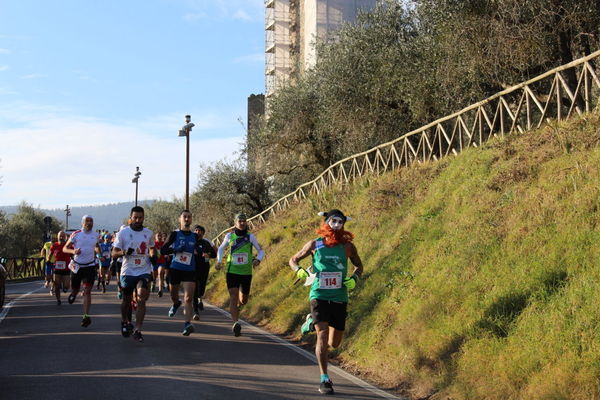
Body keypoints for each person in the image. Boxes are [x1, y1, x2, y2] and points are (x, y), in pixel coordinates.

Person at [288, 209, 363, 395]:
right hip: (319, 295)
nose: (337, 225)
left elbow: (359, 266)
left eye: (340, 222)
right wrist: (299, 271)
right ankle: (324, 378)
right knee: (322, 335)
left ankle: (310, 322)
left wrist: (354, 279)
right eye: (333, 221)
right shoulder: (316, 244)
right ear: (326, 222)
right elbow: (293, 259)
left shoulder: (348, 246)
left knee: (334, 343)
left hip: (339, 297)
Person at [215, 213, 265, 337]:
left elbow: (261, 250)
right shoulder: (229, 236)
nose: (242, 223)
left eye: (244, 221)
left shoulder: (250, 237)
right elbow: (221, 248)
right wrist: (219, 261)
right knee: (233, 296)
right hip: (232, 271)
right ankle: (236, 322)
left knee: (243, 300)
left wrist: (258, 259)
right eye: (239, 221)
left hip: (246, 272)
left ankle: (238, 308)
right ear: (235, 223)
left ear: (246, 222)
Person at [112, 206, 156, 342]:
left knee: (141, 297)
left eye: (140, 217)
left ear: (143, 218)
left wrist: (153, 255)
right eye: (135, 217)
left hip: (143, 270)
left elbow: (152, 248)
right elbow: (114, 253)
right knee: (126, 299)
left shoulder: (148, 233)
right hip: (128, 271)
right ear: (130, 218)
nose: (138, 220)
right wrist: (124, 252)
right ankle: (124, 321)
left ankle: (138, 329)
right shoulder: (123, 233)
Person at [160, 210, 198, 336]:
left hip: (189, 269)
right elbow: (163, 250)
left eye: (189, 217)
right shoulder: (174, 234)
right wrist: (175, 249)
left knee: (188, 298)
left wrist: (203, 252)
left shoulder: (195, 236)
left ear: (191, 219)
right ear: (180, 219)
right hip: (175, 268)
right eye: (184, 217)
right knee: (174, 295)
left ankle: (187, 324)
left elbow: (199, 249)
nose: (187, 219)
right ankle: (176, 303)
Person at [63, 215, 102, 328]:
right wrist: (73, 251)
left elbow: (97, 246)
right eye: (87, 221)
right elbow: (65, 248)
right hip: (77, 266)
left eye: (91, 221)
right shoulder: (76, 234)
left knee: (87, 291)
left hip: (90, 266)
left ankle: (86, 316)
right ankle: (73, 294)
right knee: (75, 289)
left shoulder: (96, 235)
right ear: (82, 223)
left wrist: (99, 255)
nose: (89, 223)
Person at [192, 225, 217, 320]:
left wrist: (208, 254)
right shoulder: (190, 242)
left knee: (201, 288)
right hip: (193, 268)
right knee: (194, 290)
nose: (197, 232)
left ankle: (200, 299)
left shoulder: (206, 243)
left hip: (204, 268)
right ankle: (195, 311)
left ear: (203, 233)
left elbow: (214, 254)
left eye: (199, 231)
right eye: (196, 230)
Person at [49, 231, 72, 305]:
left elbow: (73, 254)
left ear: (65, 237)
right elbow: (50, 254)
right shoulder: (54, 245)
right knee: (56, 286)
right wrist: (48, 261)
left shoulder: (68, 245)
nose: (61, 238)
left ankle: (65, 288)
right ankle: (58, 300)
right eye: (60, 236)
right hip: (57, 268)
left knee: (67, 286)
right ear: (58, 237)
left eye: (63, 236)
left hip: (66, 269)